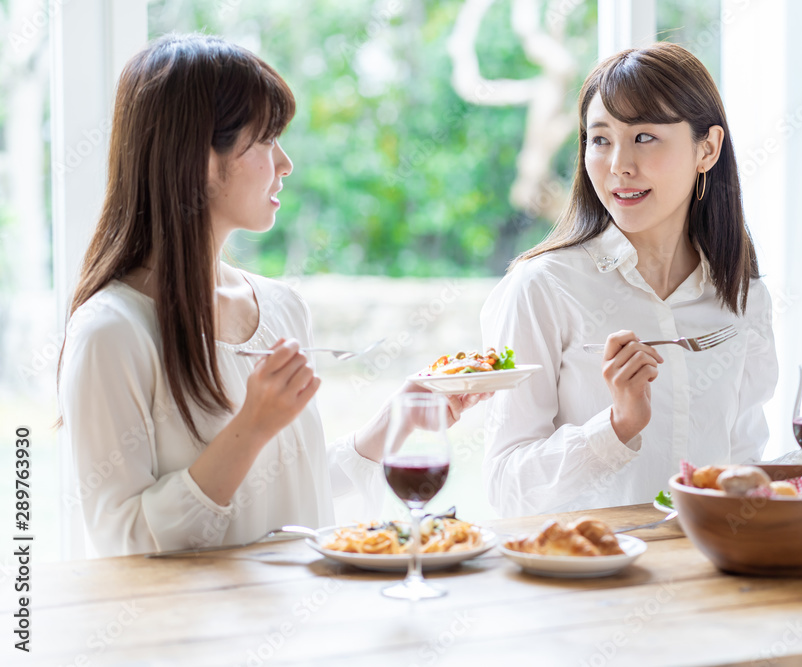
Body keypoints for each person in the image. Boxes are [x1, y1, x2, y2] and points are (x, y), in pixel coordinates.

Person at [57, 34, 483, 557]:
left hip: (303, 625)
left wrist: (396, 421)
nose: (285, 163)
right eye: (264, 141)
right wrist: (251, 427)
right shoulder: (111, 332)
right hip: (190, 636)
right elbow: (120, 542)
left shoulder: (281, 307)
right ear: (200, 161)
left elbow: (285, 499)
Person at [480, 42, 802, 518]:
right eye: (601, 139)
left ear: (707, 149)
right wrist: (616, 426)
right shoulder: (542, 288)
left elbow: (740, 472)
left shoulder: (743, 296)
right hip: (592, 573)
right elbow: (505, 487)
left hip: (717, 573)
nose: (618, 166)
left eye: (645, 137)